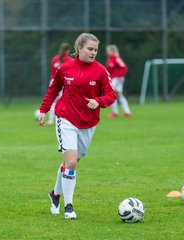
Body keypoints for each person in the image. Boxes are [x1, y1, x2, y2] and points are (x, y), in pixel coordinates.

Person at [38, 33, 116, 219]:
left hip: (88, 124)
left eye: (95, 50)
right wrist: (43, 109)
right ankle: (69, 207)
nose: (93, 53)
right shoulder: (64, 68)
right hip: (66, 119)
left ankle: (55, 194)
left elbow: (111, 95)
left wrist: (98, 101)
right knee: (71, 162)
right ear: (79, 48)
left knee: (71, 163)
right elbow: (53, 90)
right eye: (90, 49)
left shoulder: (100, 71)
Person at [47, 43, 73, 125]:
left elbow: (52, 72)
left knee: (52, 101)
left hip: (54, 82)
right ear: (68, 50)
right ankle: (64, 119)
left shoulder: (55, 59)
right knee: (65, 101)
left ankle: (51, 119)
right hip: (64, 83)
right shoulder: (70, 60)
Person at [106, 44, 131, 118]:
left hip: (117, 79)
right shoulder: (109, 59)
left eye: (109, 51)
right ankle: (126, 112)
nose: (107, 52)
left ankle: (115, 112)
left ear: (113, 51)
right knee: (118, 94)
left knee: (111, 93)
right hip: (113, 79)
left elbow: (124, 67)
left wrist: (121, 76)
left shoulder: (116, 58)